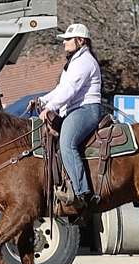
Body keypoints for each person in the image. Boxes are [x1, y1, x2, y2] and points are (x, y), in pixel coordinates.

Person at [38, 23, 102, 209]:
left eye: (68, 39)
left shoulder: (84, 62)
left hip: (86, 110)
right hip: (75, 109)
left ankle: (82, 192)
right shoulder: (75, 62)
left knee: (67, 143)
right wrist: (43, 100)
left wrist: (50, 107)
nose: (64, 43)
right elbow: (61, 89)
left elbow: (70, 90)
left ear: (80, 41)